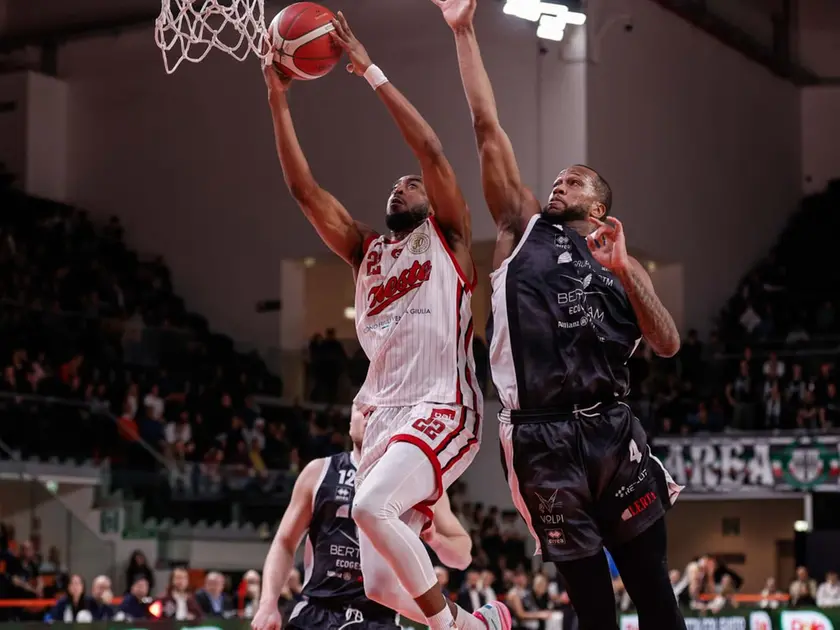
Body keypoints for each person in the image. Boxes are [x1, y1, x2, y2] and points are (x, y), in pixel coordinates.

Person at [430, 0, 686, 628]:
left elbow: (669, 343)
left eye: (574, 182)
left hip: (611, 428)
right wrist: (464, 31)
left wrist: (626, 271)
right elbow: (487, 127)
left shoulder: (620, 259)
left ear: (599, 206)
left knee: (654, 592)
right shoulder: (522, 227)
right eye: (558, 179)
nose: (558, 185)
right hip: (540, 436)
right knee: (593, 610)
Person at [261, 11, 506, 630]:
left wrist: (365, 67)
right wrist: (277, 98)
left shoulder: (447, 236)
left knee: (371, 506)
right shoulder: (364, 251)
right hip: (383, 415)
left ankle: (455, 629)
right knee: (383, 588)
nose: (402, 186)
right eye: (395, 186)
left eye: (411, 187)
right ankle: (479, 623)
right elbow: (303, 190)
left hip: (443, 402)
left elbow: (428, 149)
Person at [251, 405, 474, 629]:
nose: (370, 415)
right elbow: (285, 542)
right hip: (317, 612)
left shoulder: (418, 479)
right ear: (350, 423)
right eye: (363, 408)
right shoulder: (319, 471)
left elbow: (462, 557)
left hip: (378, 619)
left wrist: (435, 540)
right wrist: (268, 603)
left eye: (380, 409)